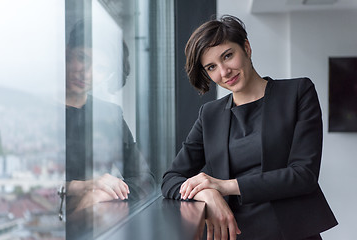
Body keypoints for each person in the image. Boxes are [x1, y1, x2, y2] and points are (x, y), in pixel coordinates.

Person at [161, 15, 337, 240]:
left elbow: (304, 175)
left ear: (246, 47)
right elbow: (171, 178)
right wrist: (207, 194)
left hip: (293, 234)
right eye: (212, 67)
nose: (224, 72)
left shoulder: (297, 92)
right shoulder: (210, 115)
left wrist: (224, 186)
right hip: (235, 235)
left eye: (228, 56)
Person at [65, 19, 155, 213]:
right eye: (82, 58)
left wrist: (102, 195)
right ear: (67, 51)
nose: (87, 74)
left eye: (100, 69)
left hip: (95, 221)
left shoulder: (110, 114)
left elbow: (145, 179)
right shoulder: (39, 110)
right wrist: (81, 186)